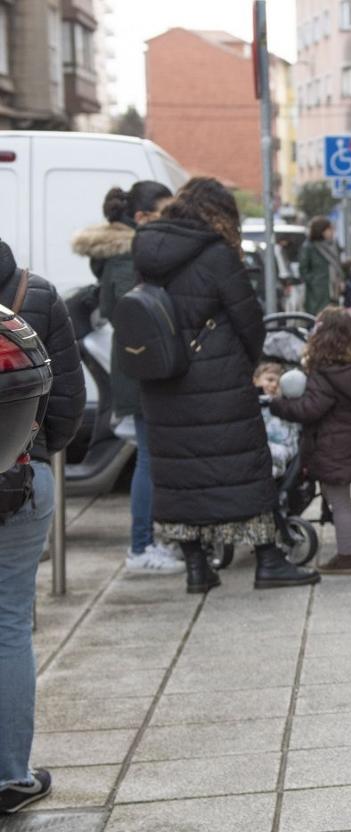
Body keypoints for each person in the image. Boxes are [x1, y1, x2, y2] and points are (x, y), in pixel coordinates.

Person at [132, 177, 321, 593]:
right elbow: (250, 322)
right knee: (244, 468)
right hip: (219, 384)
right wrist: (243, 365)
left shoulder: (145, 250)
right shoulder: (217, 254)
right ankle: (269, 560)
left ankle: (198, 568)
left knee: (182, 477)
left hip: (163, 384)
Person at [0, 237, 85, 815]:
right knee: (8, 625)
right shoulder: (35, 293)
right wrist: (32, 447)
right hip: (16, 480)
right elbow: (70, 403)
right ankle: (10, 776)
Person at [71, 181, 181, 574]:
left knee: (152, 459)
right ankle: (140, 548)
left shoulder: (122, 254)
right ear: (141, 217)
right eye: (166, 211)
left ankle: (150, 541)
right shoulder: (128, 257)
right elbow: (129, 311)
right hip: (140, 369)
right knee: (149, 460)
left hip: (135, 365)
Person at [270, 307, 351, 574]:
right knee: (337, 494)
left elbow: (310, 409)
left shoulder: (326, 374)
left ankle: (346, 558)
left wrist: (280, 406)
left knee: (338, 503)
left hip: (332, 446)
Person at [255, 362, 300, 479]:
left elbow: (290, 445)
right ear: (255, 380)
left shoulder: (285, 410)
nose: (274, 385)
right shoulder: (246, 404)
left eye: (279, 384)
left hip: (273, 461)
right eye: (270, 380)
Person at [300, 216, 344, 315]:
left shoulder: (334, 245)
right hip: (317, 294)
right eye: (329, 229)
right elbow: (303, 270)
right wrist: (315, 282)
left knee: (334, 319)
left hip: (334, 291)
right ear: (321, 230)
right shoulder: (309, 247)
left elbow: (338, 266)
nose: (332, 232)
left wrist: (340, 280)